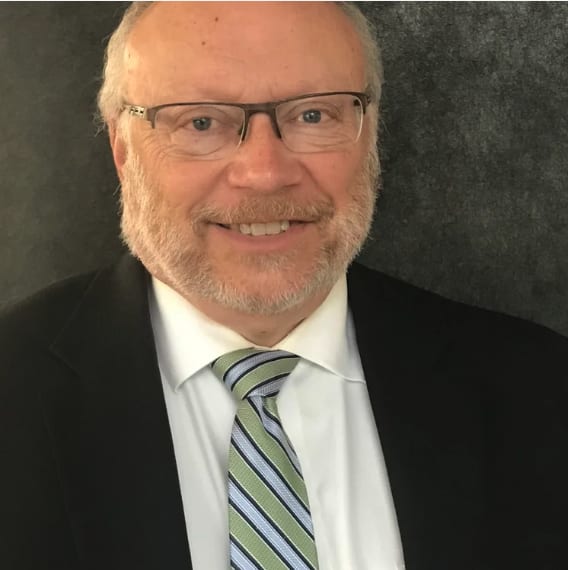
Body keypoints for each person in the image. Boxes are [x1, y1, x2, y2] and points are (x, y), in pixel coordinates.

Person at [1, 3, 566, 570]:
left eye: (313, 116)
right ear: (123, 152)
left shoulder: (538, 389)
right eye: (202, 123)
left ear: (369, 136)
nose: (266, 173)